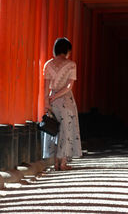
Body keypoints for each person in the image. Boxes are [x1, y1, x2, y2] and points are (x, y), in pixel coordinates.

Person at [43, 37, 82, 170]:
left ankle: (55, 163)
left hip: (52, 99)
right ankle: (63, 163)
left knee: (54, 130)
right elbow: (69, 87)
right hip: (66, 100)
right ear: (67, 50)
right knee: (66, 130)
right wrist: (56, 96)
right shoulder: (71, 65)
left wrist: (47, 100)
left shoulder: (48, 64)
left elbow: (45, 86)